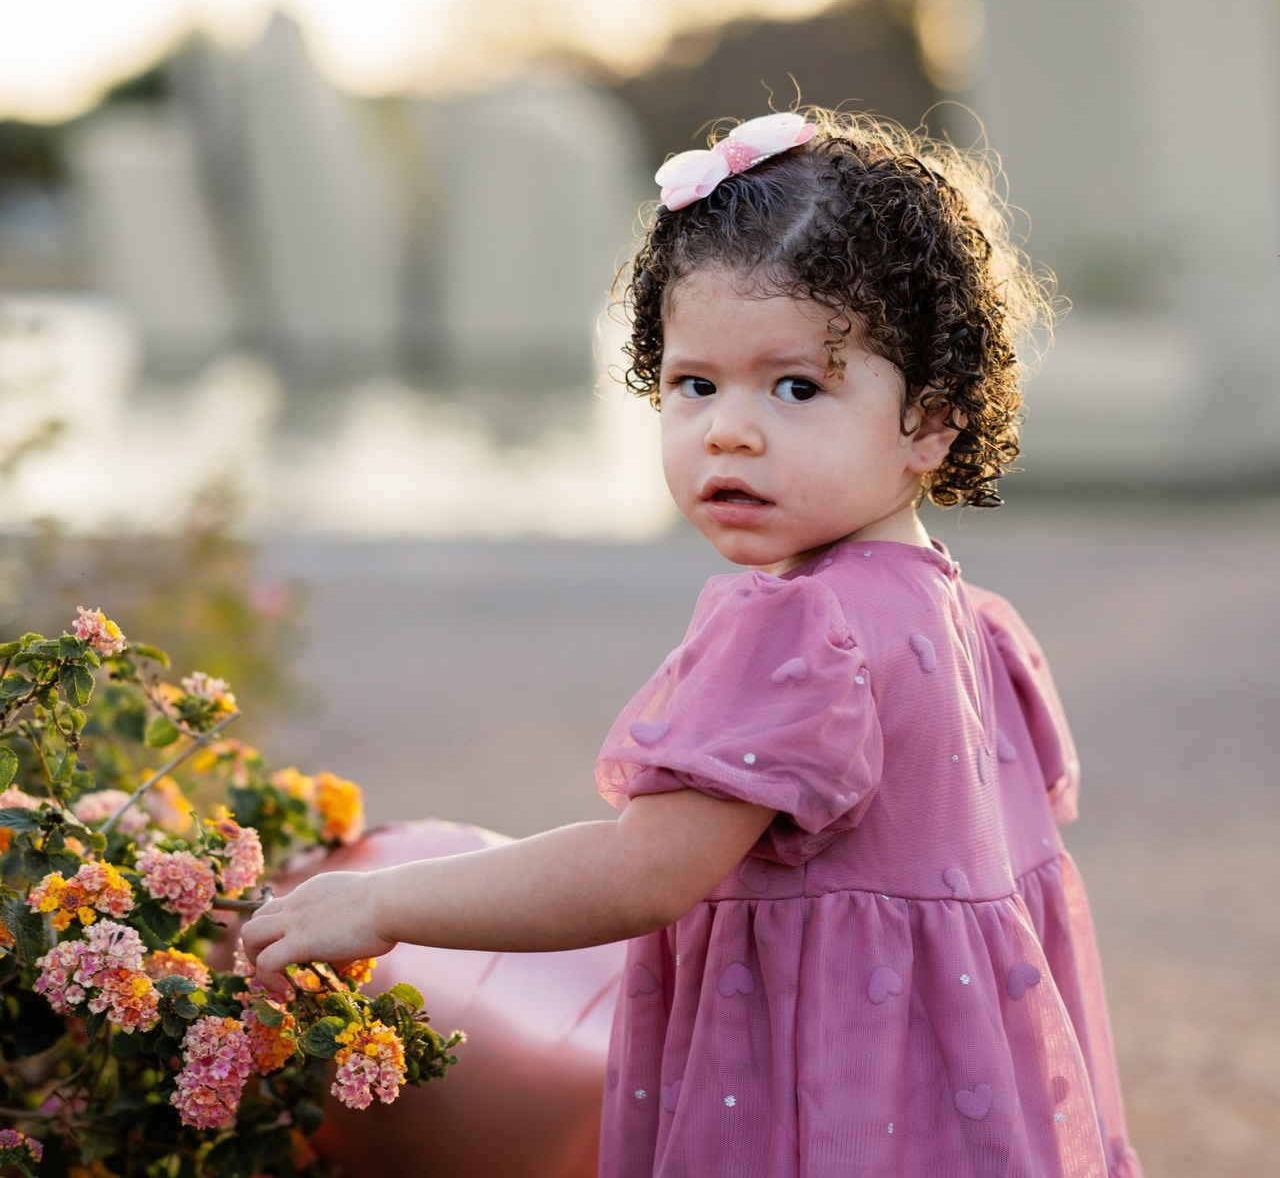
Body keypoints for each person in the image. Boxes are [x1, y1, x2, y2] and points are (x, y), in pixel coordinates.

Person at [242, 108, 1142, 1178]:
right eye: (693, 383)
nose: (727, 427)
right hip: (962, 1112)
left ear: (930, 420)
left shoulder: (798, 627)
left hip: (827, 1111)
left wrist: (384, 899)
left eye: (796, 385)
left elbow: (641, 872)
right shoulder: (972, 619)